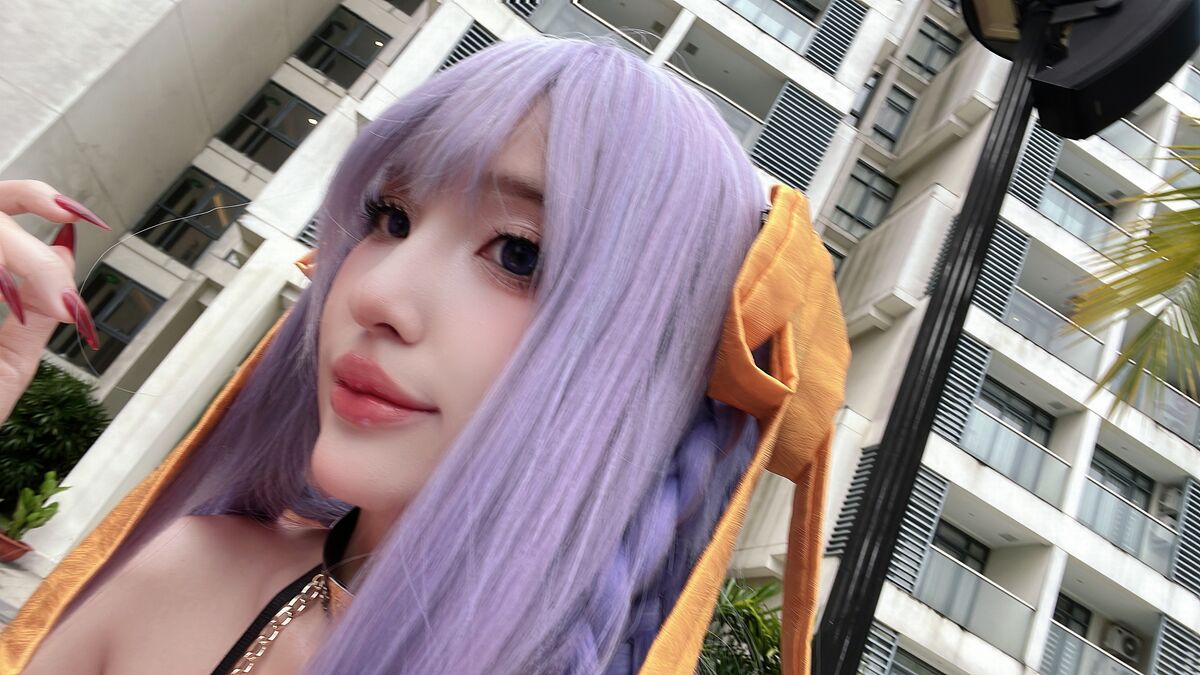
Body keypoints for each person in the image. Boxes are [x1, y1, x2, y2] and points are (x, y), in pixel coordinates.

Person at [0, 37, 849, 674]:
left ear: (644, 369)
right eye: (391, 218)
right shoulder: (187, 573)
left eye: (519, 253)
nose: (376, 292)